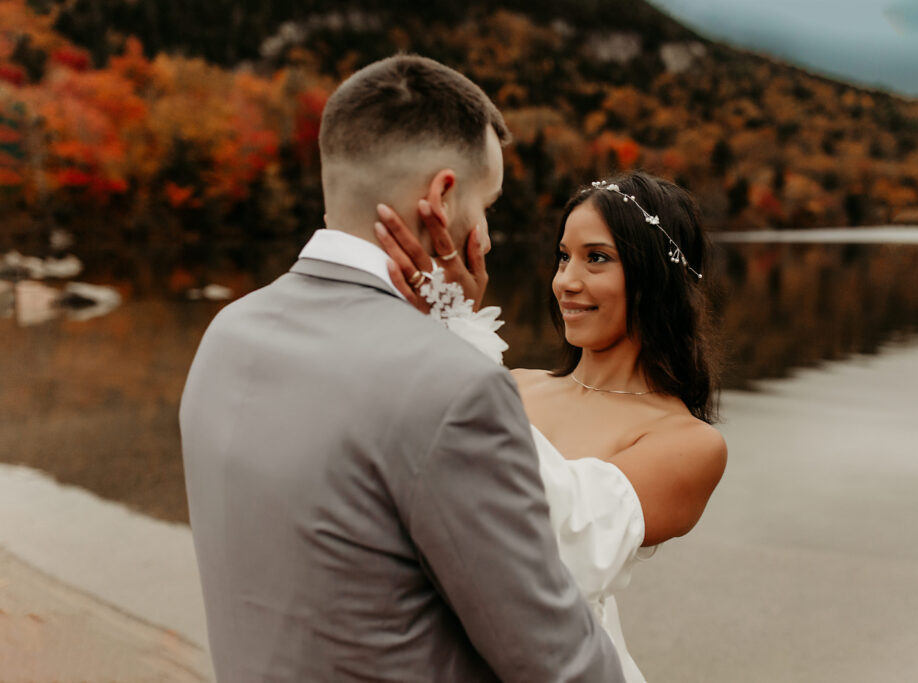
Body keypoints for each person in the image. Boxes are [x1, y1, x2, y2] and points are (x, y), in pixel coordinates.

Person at [179, 55, 626, 682]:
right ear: (442, 198)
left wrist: (443, 316)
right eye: (487, 203)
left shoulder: (228, 332)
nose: (488, 235)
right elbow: (560, 664)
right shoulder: (453, 391)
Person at [376, 171, 727, 682]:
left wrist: (455, 332)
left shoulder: (688, 444)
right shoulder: (512, 386)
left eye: (597, 258)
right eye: (564, 256)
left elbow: (549, 545)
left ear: (655, 275)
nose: (566, 280)